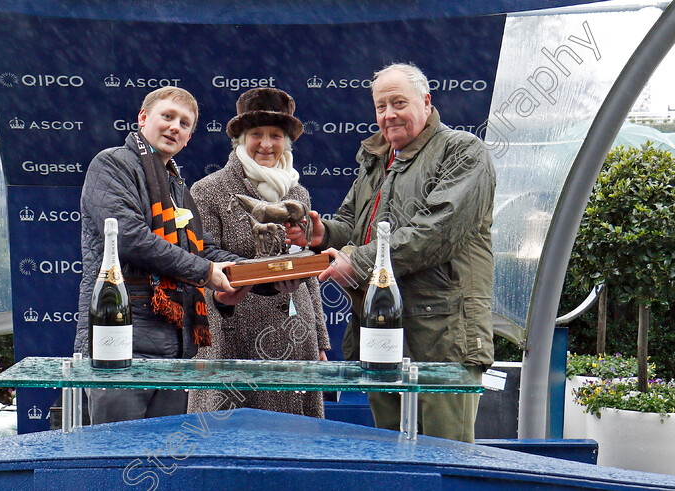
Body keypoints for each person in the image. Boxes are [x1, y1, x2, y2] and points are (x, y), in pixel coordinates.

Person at [286, 63, 496, 442]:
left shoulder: (463, 150)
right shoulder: (377, 158)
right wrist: (322, 234)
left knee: (443, 459)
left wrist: (359, 259)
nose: (389, 115)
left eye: (399, 102)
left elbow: (437, 232)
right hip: (381, 330)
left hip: (443, 335)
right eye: (381, 107)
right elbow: (352, 222)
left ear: (426, 101)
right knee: (391, 453)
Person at [74, 86, 251, 424]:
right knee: (117, 458)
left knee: (158, 464)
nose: (175, 127)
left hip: (174, 349)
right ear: (143, 119)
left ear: (188, 138)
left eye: (185, 124)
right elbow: (130, 238)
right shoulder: (112, 164)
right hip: (121, 345)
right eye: (167, 117)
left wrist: (260, 273)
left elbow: (202, 247)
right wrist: (205, 272)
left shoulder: (177, 187)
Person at [188, 88, 331, 418]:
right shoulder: (208, 190)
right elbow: (205, 260)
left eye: (275, 135)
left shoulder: (298, 194)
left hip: (296, 336)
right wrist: (267, 273)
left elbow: (307, 268)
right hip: (234, 334)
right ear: (240, 139)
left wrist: (320, 340)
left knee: (295, 445)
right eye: (257, 134)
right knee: (229, 444)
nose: (266, 144)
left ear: (286, 142)